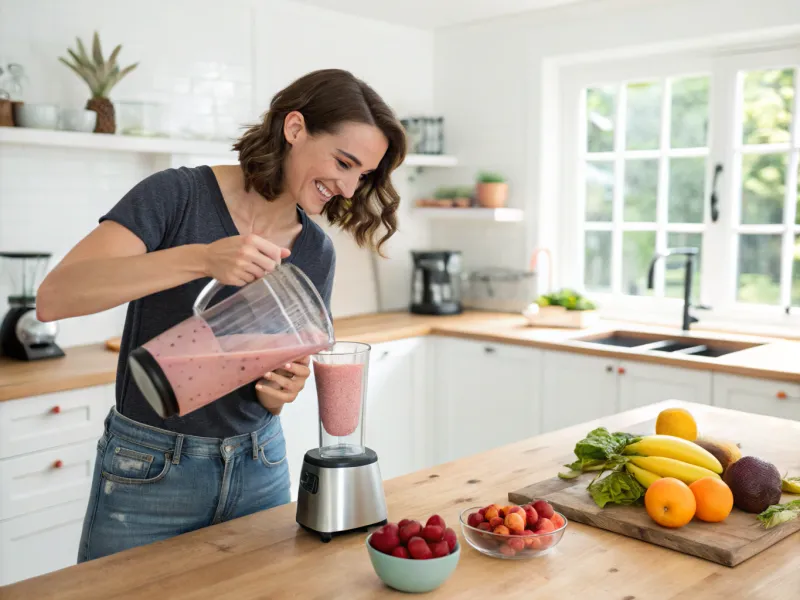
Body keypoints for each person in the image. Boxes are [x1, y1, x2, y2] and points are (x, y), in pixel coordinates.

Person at [36, 69, 407, 562]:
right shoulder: (177, 195)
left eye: (362, 176)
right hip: (149, 468)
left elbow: (271, 376)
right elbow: (55, 297)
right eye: (343, 162)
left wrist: (283, 390)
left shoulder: (316, 251)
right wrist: (204, 258)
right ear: (294, 128)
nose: (346, 186)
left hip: (260, 465)